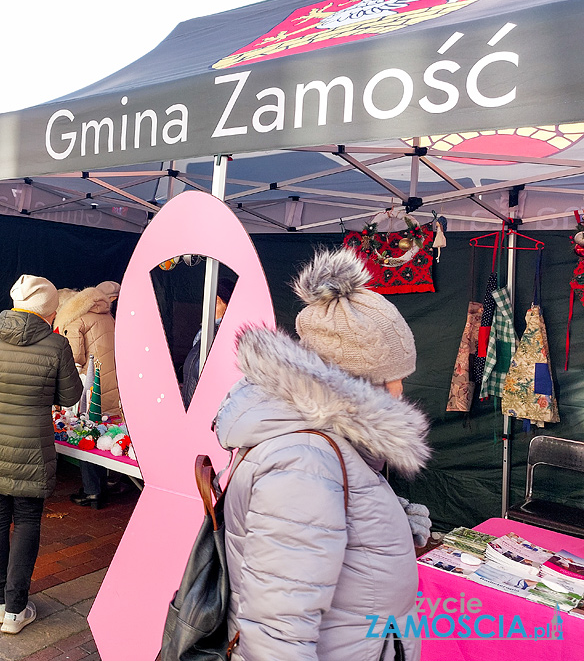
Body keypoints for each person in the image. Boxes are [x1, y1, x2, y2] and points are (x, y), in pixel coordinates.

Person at [213, 248, 431, 661]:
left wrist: (389, 519)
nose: (401, 391)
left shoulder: (319, 443)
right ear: (353, 380)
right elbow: (277, 625)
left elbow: (324, 523)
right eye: (392, 378)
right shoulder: (305, 458)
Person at [0, 275, 83, 635]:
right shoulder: (56, 345)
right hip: (31, 446)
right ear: (48, 310)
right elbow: (70, 396)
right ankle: (16, 608)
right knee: (27, 520)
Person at [54, 282, 121, 508]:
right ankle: (111, 481)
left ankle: (93, 490)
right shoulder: (105, 316)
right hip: (112, 380)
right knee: (104, 429)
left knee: (86, 430)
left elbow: (73, 358)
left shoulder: (75, 321)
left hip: (91, 384)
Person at [181, 277, 235, 409]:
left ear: (228, 306)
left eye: (215, 303)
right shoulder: (203, 333)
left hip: (205, 412)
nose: (209, 308)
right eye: (208, 302)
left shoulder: (226, 338)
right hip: (189, 407)